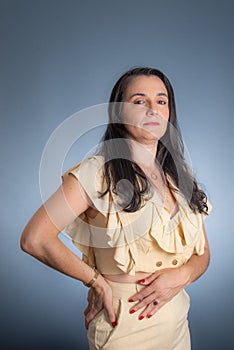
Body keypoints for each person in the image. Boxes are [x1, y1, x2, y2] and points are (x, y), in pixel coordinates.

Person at [21, 67, 212, 350]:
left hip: (178, 322)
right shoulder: (96, 174)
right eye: (139, 101)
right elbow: (34, 239)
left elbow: (203, 253)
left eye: (161, 101)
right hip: (125, 325)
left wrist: (181, 276)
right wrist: (95, 281)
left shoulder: (179, 175)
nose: (153, 110)